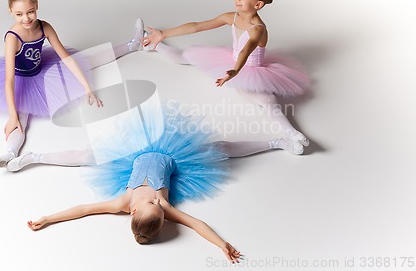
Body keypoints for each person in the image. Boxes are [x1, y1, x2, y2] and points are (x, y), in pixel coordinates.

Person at [26, 102, 303, 263]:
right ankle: (275, 142)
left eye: (155, 203)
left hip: (140, 147)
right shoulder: (161, 208)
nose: (158, 201)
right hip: (175, 155)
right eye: (160, 205)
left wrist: (48, 217)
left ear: (133, 211)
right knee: (219, 148)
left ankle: (36, 156)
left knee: (92, 155)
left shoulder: (124, 202)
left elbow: (83, 209)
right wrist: (222, 244)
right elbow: (196, 224)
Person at [141, 0, 312, 147]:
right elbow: (196, 26)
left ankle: (291, 134)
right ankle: (154, 44)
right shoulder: (232, 17)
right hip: (229, 60)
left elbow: (247, 49)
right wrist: (163, 33)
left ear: (258, 5)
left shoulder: (258, 28)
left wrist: (236, 71)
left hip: (249, 70)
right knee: (186, 56)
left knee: (267, 101)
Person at [0, 0, 105, 167]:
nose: (26, 18)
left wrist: (87, 88)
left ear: (36, 5)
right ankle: (11, 153)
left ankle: (133, 44)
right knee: (21, 119)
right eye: (19, 14)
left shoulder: (45, 27)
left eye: (30, 11)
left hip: (42, 68)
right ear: (10, 11)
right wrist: (12, 114)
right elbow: (9, 80)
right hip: (21, 78)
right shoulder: (13, 37)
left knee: (87, 59)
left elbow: (66, 58)